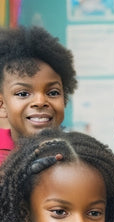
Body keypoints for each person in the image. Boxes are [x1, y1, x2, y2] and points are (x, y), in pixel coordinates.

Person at [0, 25, 77, 163]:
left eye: (53, 92)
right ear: (1, 104)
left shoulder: (77, 154)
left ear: (64, 98)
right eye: (23, 93)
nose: (40, 101)